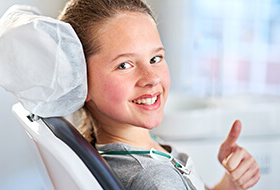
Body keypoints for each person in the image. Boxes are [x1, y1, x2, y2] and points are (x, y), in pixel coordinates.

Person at [58, 0, 260, 189]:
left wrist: (229, 184)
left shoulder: (139, 151)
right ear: (80, 83)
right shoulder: (154, 178)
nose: (152, 78)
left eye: (155, 58)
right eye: (124, 65)